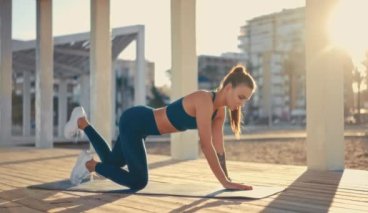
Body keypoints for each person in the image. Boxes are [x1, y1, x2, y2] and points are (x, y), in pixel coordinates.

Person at [65, 64, 256, 191]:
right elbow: (206, 147)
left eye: (245, 100)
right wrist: (225, 182)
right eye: (241, 97)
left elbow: (219, 149)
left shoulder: (219, 112)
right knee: (138, 181)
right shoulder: (204, 100)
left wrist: (228, 180)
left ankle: (82, 123)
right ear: (229, 88)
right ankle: (88, 165)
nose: (242, 104)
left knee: (112, 162)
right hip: (135, 121)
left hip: (140, 126)